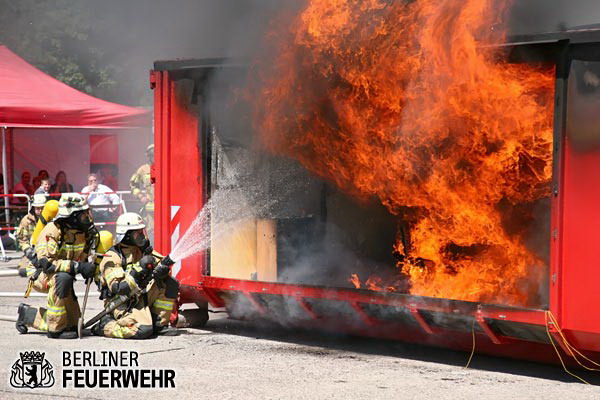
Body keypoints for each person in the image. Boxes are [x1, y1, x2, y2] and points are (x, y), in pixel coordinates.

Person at [15, 193, 97, 339]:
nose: (88, 217)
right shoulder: (52, 230)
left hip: (62, 274)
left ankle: (27, 315)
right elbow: (48, 265)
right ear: (72, 216)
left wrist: (88, 267)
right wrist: (78, 267)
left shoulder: (82, 232)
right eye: (84, 214)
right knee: (63, 278)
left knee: (74, 324)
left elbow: (82, 256)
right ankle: (55, 330)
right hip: (41, 274)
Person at [92, 212, 179, 338]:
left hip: (140, 295)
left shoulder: (142, 250)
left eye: (142, 231)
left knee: (170, 283)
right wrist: (138, 270)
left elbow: (160, 264)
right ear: (127, 235)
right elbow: (119, 288)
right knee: (142, 331)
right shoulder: (113, 257)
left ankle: (159, 323)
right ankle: (105, 326)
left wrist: (163, 272)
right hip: (121, 302)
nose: (142, 236)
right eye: (138, 233)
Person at [15, 194, 47, 278]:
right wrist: (29, 253)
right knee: (23, 271)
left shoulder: (50, 219)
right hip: (32, 252)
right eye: (37, 208)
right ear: (33, 208)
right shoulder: (26, 221)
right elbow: (22, 240)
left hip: (48, 252)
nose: (40, 210)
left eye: (42, 208)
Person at [130, 144, 154, 238]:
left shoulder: (165, 167)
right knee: (150, 233)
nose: (154, 157)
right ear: (149, 156)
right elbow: (133, 185)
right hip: (150, 210)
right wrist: (141, 196)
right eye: (152, 155)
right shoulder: (143, 170)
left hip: (165, 208)